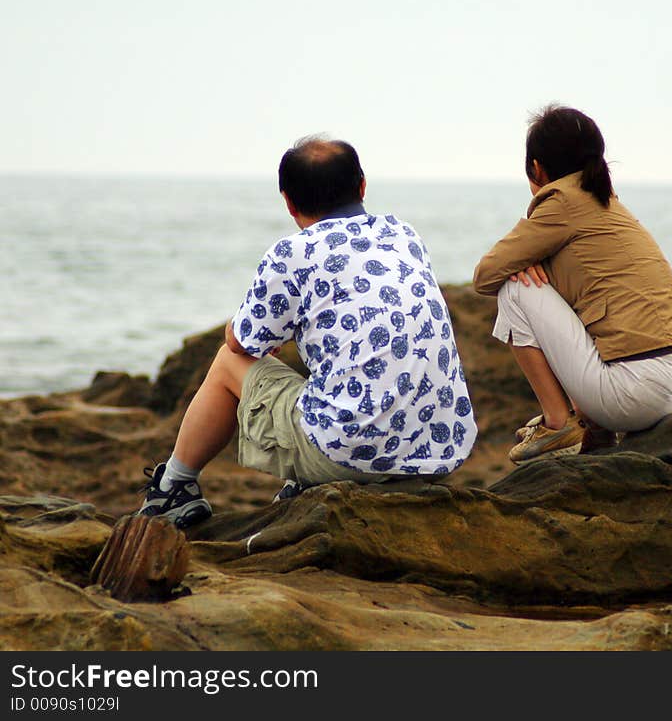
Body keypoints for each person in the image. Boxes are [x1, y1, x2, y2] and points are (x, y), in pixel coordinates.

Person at [139, 136, 478, 527]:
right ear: (363, 186)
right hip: (439, 449)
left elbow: (241, 341)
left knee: (228, 361)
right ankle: (303, 482)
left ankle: (173, 489)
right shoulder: (403, 235)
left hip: (349, 453)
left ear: (288, 201)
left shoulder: (293, 253)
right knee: (336, 363)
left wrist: (259, 331)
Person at [473, 105, 672, 464]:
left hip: (634, 392)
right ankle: (592, 425)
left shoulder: (561, 201)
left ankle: (559, 423)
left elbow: (485, 276)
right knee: (550, 284)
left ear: (536, 168)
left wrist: (524, 263)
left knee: (514, 287)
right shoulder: (609, 206)